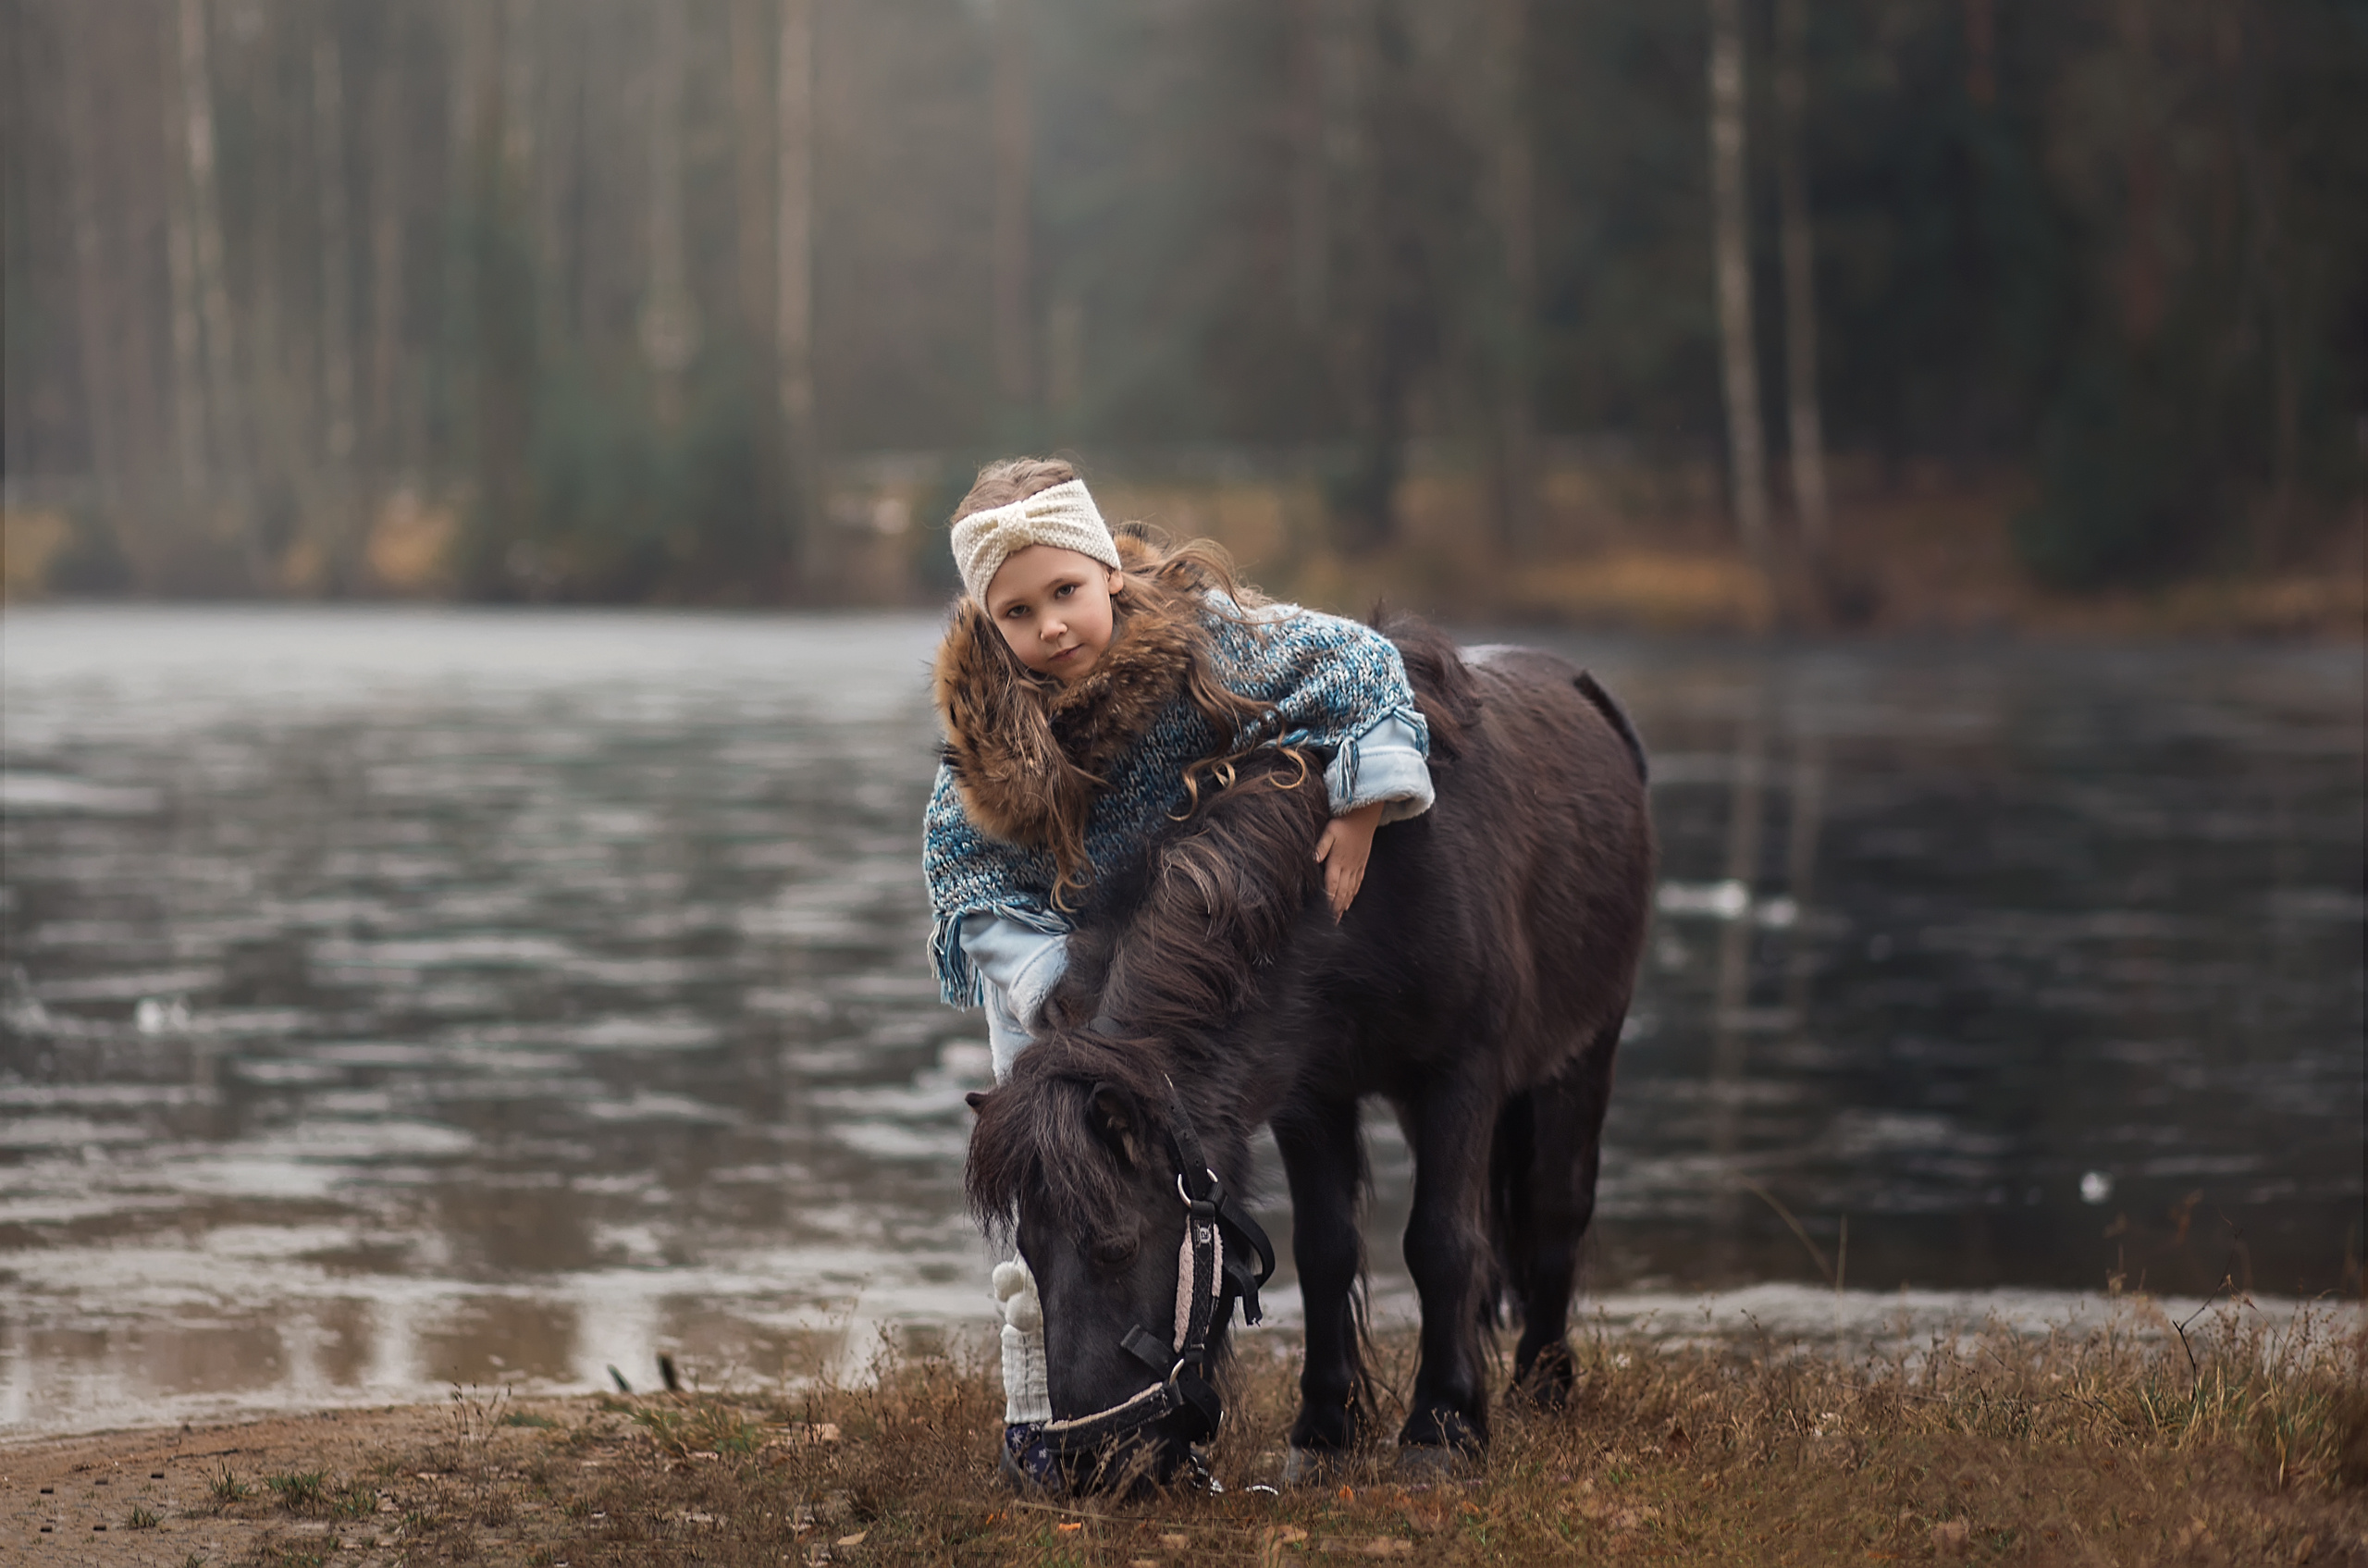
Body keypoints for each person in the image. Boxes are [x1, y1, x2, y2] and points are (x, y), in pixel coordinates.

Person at [920, 457, 1436, 1486]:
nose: (1051, 628)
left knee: (1156, 1172)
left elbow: (1364, 662)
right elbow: (964, 876)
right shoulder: (990, 732)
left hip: (1175, 947)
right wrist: (1046, 983)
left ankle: (1168, 1358)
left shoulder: (1213, 643)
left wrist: (1364, 806)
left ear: (1108, 571)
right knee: (1038, 1196)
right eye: (1017, 612)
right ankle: (1038, 1414)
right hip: (1050, 961)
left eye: (1065, 591)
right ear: (989, 624)